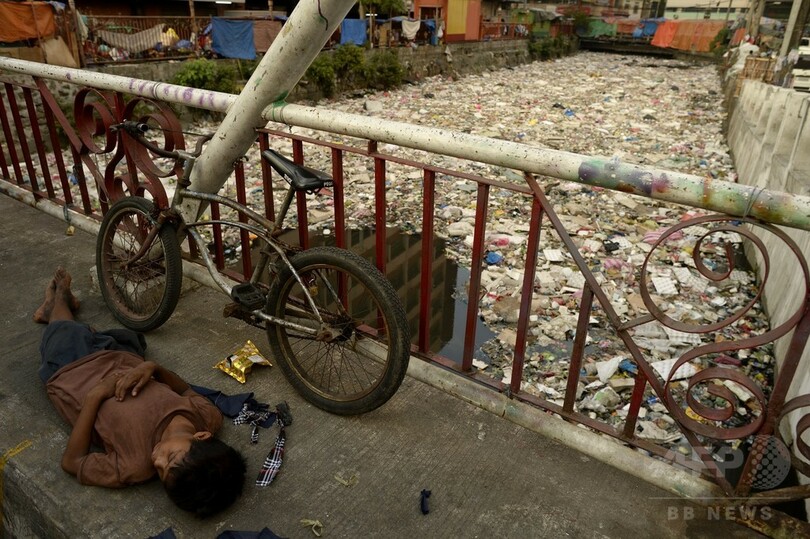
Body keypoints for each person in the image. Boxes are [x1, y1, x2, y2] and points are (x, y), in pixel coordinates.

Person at [34, 267, 246, 518]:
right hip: (121, 356)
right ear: (201, 436)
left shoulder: (133, 464)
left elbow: (72, 463)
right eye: (170, 458)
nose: (157, 462)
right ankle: (64, 316)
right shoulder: (207, 417)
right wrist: (152, 368)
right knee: (132, 338)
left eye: (161, 473)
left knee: (66, 333)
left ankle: (57, 302)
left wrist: (96, 395)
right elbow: (186, 390)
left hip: (73, 372)